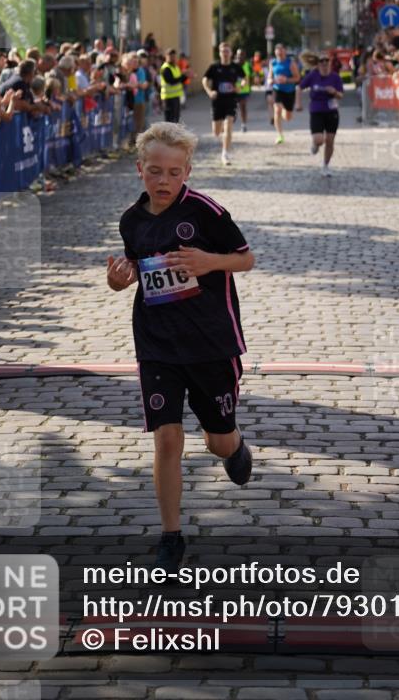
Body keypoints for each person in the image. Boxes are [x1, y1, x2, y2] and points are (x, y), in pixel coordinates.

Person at [106, 122, 254, 572]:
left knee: (217, 442)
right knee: (167, 439)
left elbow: (245, 258)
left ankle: (236, 446)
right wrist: (117, 280)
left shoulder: (206, 211)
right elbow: (131, 268)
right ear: (139, 170)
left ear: (187, 170)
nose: (164, 181)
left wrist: (209, 261)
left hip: (210, 342)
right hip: (156, 344)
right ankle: (170, 536)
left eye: (173, 172)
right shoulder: (132, 220)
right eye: (154, 171)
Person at [300, 54, 344, 176]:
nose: (324, 63)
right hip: (316, 110)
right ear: (318, 63)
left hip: (332, 111)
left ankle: (325, 166)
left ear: (330, 62)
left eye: (327, 60)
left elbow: (341, 95)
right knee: (319, 140)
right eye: (321, 61)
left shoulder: (335, 77)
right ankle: (315, 144)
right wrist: (298, 103)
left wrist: (334, 92)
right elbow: (300, 87)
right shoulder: (313, 75)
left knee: (330, 141)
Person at [203, 42, 244, 165]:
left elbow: (244, 79)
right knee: (216, 132)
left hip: (231, 100)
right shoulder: (214, 67)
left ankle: (225, 153)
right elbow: (204, 80)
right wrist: (209, 91)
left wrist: (240, 87)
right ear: (219, 53)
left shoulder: (235, 67)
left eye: (227, 51)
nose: (225, 53)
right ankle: (222, 135)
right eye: (223, 51)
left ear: (231, 53)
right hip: (217, 101)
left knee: (228, 125)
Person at [270, 43, 300, 144]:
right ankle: (279, 135)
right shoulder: (273, 63)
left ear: (285, 52)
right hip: (277, 89)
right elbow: (270, 76)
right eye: (278, 51)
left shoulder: (290, 63)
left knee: (288, 117)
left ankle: (284, 110)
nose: (280, 53)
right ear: (275, 52)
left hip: (289, 91)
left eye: (281, 51)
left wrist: (286, 79)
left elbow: (297, 78)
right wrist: (270, 80)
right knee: (277, 110)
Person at [160, 48, 189, 123]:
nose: (173, 58)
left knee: (176, 118)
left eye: (174, 56)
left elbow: (179, 80)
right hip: (168, 98)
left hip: (176, 96)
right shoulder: (165, 68)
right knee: (169, 120)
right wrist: (183, 76)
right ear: (166, 56)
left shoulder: (175, 67)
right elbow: (171, 81)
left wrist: (186, 76)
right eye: (170, 56)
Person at [234, 48, 252, 132]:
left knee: (243, 107)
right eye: (238, 54)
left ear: (244, 56)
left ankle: (244, 124)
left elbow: (251, 76)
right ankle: (232, 118)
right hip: (233, 90)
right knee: (232, 107)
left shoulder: (248, 65)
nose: (240, 56)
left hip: (244, 90)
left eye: (242, 54)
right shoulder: (233, 65)